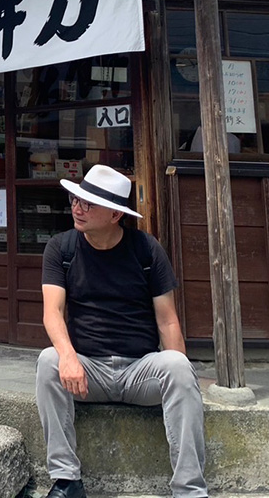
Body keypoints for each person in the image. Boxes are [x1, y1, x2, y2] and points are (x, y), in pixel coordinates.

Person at [36, 164, 206, 498]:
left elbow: (168, 321)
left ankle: (190, 490)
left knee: (178, 367)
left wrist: (182, 382)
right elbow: (52, 312)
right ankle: (67, 481)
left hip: (139, 370)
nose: (77, 208)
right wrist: (69, 358)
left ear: (115, 215)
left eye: (88, 203)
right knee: (47, 361)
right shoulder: (62, 248)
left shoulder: (146, 250)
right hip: (88, 370)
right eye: (75, 199)